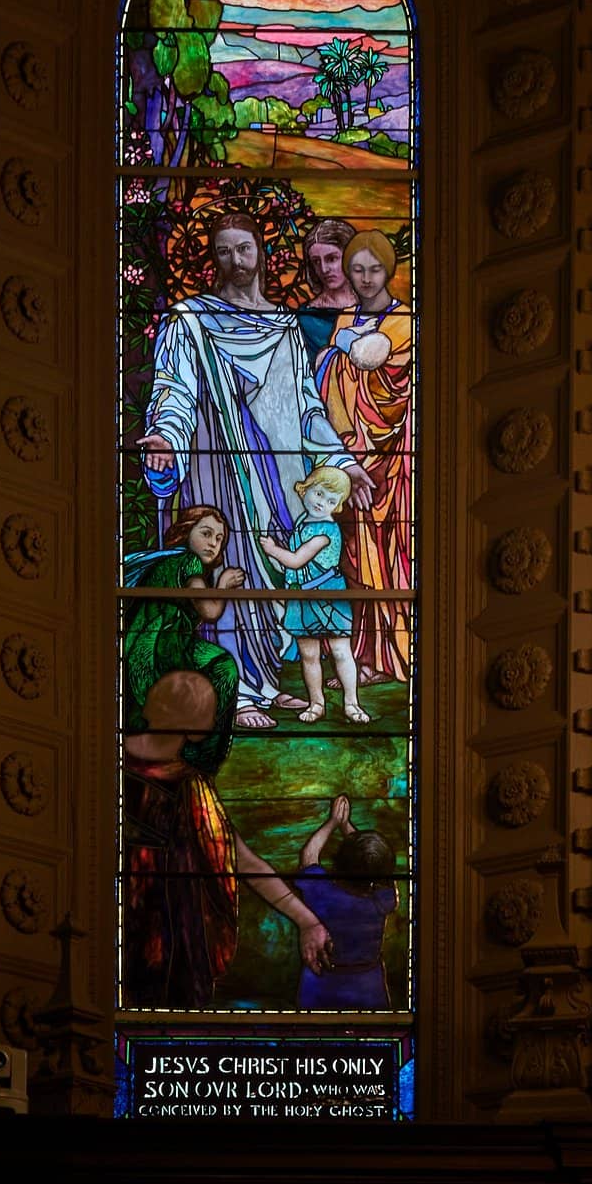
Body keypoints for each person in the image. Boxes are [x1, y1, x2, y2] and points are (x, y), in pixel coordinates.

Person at [137, 211, 374, 728]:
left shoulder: (286, 329)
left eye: (243, 248)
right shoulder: (189, 321)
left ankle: (264, 682)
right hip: (216, 470)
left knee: (267, 573)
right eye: (223, 251)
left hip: (277, 476)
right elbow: (175, 393)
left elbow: (308, 408)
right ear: (213, 258)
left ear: (261, 254)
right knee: (227, 569)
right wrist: (167, 440)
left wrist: (341, 463)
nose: (235, 260)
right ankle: (237, 690)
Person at [122, 671, 334, 1010]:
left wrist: (306, 920)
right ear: (199, 728)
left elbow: (238, 857)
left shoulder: (108, 765)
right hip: (173, 942)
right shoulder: (193, 790)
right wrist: (306, 919)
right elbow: (243, 860)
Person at [316, 228, 412, 683]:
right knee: (354, 557)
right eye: (358, 269)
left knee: (389, 552)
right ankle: (363, 656)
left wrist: (341, 345)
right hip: (351, 454)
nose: (366, 277)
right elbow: (334, 376)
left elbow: (370, 358)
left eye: (375, 269)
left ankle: (390, 653)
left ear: (389, 270)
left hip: (393, 463)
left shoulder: (405, 320)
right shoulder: (347, 316)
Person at [123, 505, 243, 777]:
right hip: (161, 645)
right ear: (185, 532)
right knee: (224, 667)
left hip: (151, 642)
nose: (213, 543)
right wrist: (223, 585)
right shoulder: (188, 561)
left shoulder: (169, 561)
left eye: (219, 538)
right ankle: (200, 756)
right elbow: (209, 610)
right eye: (206, 533)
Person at [260, 467, 369, 725]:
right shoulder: (303, 522)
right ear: (305, 489)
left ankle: (352, 703)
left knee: (341, 651)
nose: (322, 503)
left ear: (338, 505)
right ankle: (316, 703)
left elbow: (296, 561)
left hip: (328, 597)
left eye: (332, 500)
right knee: (309, 655)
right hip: (302, 598)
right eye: (319, 493)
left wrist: (272, 550)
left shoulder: (326, 531)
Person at [291, 794, 398, 1012]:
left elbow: (308, 856)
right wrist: (347, 825)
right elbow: (372, 862)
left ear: (339, 862)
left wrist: (334, 822)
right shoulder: (383, 898)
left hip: (322, 985)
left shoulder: (322, 892)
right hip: (368, 986)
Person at [295, 217, 356, 368]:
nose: (324, 269)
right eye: (316, 261)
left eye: (331, 259)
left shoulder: (371, 308)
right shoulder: (305, 318)